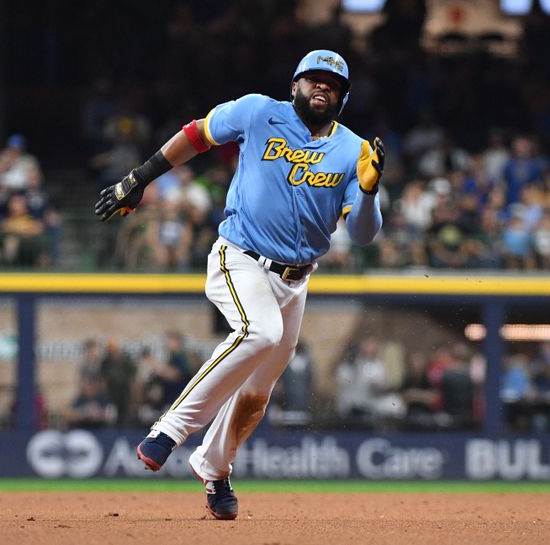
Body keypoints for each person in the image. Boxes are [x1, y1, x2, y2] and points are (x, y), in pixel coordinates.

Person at [94, 50, 384, 520]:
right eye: (312, 79)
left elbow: (364, 234)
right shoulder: (257, 111)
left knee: (256, 394)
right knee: (260, 332)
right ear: (295, 86)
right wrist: (141, 178)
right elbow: (197, 134)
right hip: (241, 256)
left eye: (331, 83)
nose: (321, 87)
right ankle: (171, 428)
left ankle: (214, 468)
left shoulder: (354, 151)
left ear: (343, 98)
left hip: (297, 280)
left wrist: (369, 193)